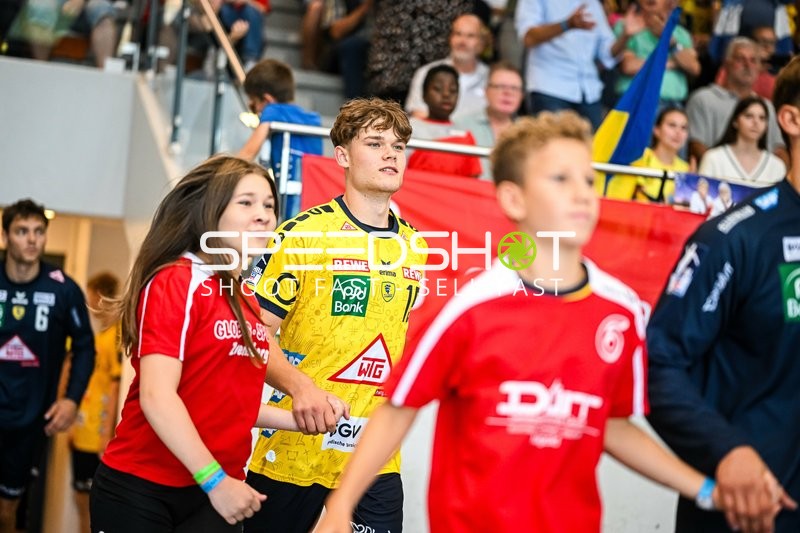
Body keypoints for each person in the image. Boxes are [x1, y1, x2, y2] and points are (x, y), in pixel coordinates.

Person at [315, 110, 733, 533]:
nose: (582, 194)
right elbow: (397, 411)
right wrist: (341, 506)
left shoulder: (621, 310)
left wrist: (707, 491)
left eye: (588, 180)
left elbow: (613, 425)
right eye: (559, 180)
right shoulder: (469, 306)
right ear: (514, 199)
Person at [90, 156, 346, 530]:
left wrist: (301, 420)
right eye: (246, 202)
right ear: (212, 213)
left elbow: (230, 404)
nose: (263, 215)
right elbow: (158, 397)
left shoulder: (245, 299)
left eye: (269, 205)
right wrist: (216, 481)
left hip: (215, 491)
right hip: (144, 489)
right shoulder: (178, 281)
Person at [244, 98, 428, 533]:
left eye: (399, 146)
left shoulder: (415, 246)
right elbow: (252, 336)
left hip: (374, 455)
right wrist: (302, 389)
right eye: (376, 143)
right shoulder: (302, 235)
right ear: (342, 155)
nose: (391, 154)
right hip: (294, 443)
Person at [646, 55, 800, 532]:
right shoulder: (735, 237)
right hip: (750, 512)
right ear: (791, 119)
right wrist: (727, 452)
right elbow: (658, 364)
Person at [0, 199, 95, 533]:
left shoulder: (62, 289)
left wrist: (71, 399)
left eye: (39, 232)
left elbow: (85, 346)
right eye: (22, 231)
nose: (32, 239)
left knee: (7, 511)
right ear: (5, 237)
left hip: (30, 421)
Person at [515, 0, 639, 129]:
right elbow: (528, 37)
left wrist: (625, 35)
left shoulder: (593, 4)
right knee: (555, 146)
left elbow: (606, 54)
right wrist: (566, 25)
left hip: (588, 92)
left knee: (592, 148)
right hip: (550, 87)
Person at [237, 59, 323, 219]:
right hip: (314, 193)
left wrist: (224, 171)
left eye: (254, 104)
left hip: (291, 195)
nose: (255, 111)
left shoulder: (273, 110)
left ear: (267, 100)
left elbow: (247, 154)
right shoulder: (312, 118)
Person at [70, 272, 121, 533]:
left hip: (98, 437)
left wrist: (105, 433)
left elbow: (115, 387)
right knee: (79, 501)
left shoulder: (116, 336)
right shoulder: (100, 337)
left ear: (100, 296)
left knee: (93, 509)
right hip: (82, 432)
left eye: (90, 296)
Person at [686, 37, 786, 163]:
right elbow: (695, 145)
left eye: (753, 61)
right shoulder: (702, 99)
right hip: (715, 178)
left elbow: (779, 150)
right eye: (740, 59)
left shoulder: (768, 107)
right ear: (726, 63)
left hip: (760, 180)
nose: (747, 65)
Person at [615, 0, 700, 108]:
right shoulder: (627, 25)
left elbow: (694, 68)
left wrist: (669, 41)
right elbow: (629, 66)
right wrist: (675, 63)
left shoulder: (681, 34)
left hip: (674, 104)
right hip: (637, 100)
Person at [405, 13, 489, 121]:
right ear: (450, 38)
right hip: (432, 135)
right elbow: (417, 114)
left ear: (482, 42)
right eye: (458, 34)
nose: (462, 41)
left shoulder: (492, 78)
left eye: (470, 36)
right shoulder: (427, 72)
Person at [407, 64, 483, 178]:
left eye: (453, 90)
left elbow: (473, 181)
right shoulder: (407, 128)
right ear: (423, 95)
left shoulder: (465, 135)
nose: (446, 95)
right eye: (438, 88)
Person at [454, 60, 525, 180]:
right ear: (486, 91)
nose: (507, 93)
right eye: (500, 86)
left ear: (522, 96)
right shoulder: (460, 124)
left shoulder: (528, 132)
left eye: (514, 88)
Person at [606, 106, 691, 202]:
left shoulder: (687, 169)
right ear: (656, 130)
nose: (678, 132)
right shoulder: (640, 157)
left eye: (684, 128)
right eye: (672, 125)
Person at [699, 95, 787, 184]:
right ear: (735, 121)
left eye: (762, 118)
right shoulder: (713, 158)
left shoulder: (777, 166)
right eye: (749, 116)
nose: (756, 122)